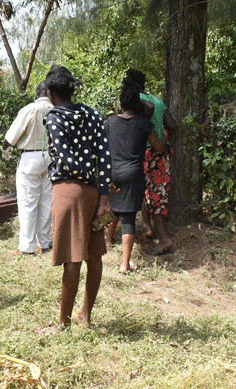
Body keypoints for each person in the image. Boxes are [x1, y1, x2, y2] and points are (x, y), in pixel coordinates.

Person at [42, 66, 111, 328]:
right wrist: (102, 193)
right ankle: (86, 314)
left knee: (72, 258)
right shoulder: (93, 115)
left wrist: (90, 179)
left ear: (50, 93)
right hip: (95, 195)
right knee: (94, 255)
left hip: (68, 191)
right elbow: (105, 156)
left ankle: (64, 323)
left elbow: (66, 160)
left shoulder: (54, 118)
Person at [105, 78, 165, 274]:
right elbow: (158, 147)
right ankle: (124, 264)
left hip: (113, 172)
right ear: (138, 106)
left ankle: (103, 239)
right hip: (133, 174)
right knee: (128, 219)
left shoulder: (110, 121)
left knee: (113, 209)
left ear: (120, 104)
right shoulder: (144, 124)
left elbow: (103, 148)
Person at [123, 69, 177, 255]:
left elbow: (146, 111)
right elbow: (172, 124)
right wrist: (165, 133)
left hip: (147, 153)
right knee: (151, 194)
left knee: (149, 195)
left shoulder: (133, 99)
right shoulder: (158, 100)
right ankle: (147, 227)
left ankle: (162, 237)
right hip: (161, 156)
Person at [2, 81, 53, 255]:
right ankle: (45, 243)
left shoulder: (31, 109)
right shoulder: (56, 109)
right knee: (46, 202)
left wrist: (5, 147)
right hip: (52, 157)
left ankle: (27, 247)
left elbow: (11, 136)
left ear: (38, 92)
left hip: (31, 156)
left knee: (28, 203)